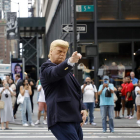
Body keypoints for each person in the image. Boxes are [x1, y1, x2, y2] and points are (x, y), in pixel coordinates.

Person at [40, 39, 86, 140]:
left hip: (73, 117)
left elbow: (75, 92)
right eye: (59, 51)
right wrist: (69, 62)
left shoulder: (67, 71)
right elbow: (56, 73)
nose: (62, 54)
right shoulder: (46, 67)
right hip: (61, 117)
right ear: (51, 51)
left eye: (64, 52)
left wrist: (82, 108)